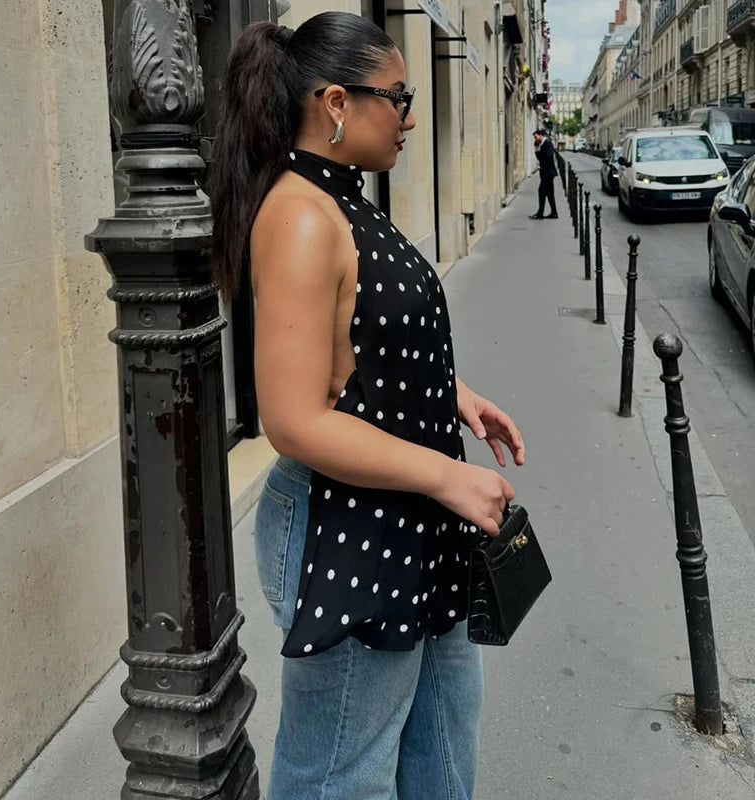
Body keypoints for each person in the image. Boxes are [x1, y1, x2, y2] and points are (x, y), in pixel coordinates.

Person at [210, 12, 525, 800]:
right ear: (336, 104)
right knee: (339, 778)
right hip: (348, 534)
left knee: (443, 745)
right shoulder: (301, 216)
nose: (411, 115)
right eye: (398, 95)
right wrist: (449, 478)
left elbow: (368, 336)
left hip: (408, 518)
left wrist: (458, 397)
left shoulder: (344, 198)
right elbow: (292, 418)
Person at [529, 128, 558, 219]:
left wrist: (539, 167)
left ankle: (540, 214)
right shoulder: (542, 145)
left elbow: (549, 157)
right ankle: (554, 213)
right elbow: (541, 158)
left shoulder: (548, 144)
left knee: (541, 191)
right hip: (547, 173)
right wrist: (537, 150)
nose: (535, 139)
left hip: (548, 173)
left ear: (541, 135)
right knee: (549, 193)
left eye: (536, 137)